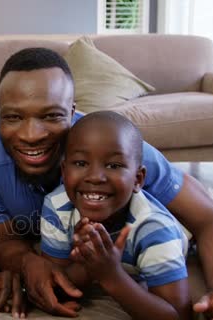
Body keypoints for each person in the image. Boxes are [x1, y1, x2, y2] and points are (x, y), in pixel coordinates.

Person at [0, 47, 213, 319]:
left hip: (146, 227)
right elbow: (3, 241)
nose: (31, 135)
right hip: (76, 236)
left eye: (51, 116)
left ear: (72, 111)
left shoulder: (114, 149)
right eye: (13, 118)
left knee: (187, 229)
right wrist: (28, 261)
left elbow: (209, 220)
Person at [42, 111, 193, 319]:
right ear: (63, 171)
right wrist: (87, 265)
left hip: (178, 237)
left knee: (200, 231)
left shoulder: (155, 228)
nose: (95, 177)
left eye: (114, 165)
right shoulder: (57, 206)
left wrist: (111, 276)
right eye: (80, 163)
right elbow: (56, 280)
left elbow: (178, 315)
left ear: (138, 179)